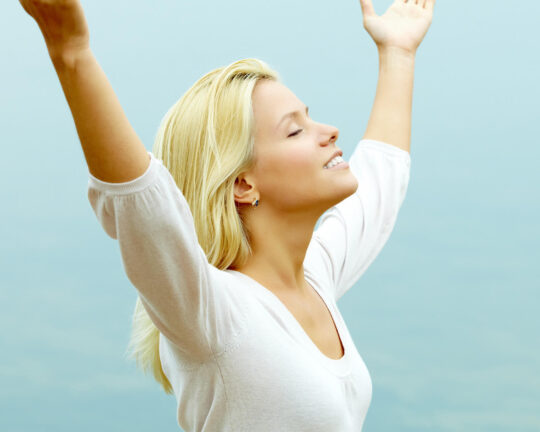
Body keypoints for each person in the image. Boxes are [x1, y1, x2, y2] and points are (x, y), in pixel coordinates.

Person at [20, 0, 435, 430]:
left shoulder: (314, 278)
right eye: (295, 130)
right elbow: (145, 207)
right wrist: (72, 52)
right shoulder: (217, 315)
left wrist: (398, 54)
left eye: (309, 119)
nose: (329, 132)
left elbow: (381, 180)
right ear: (242, 184)